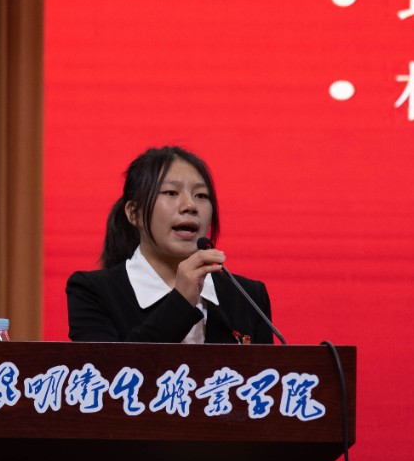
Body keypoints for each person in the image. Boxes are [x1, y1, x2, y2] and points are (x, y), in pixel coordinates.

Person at [66, 145, 275, 344]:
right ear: (134, 213)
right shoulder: (92, 292)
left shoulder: (249, 296)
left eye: (201, 195)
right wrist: (181, 301)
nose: (190, 206)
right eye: (171, 193)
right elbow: (113, 368)